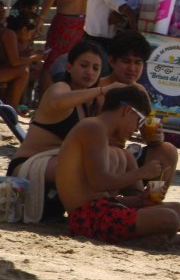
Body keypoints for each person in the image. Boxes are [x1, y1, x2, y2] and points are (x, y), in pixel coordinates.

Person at [6, 42, 124, 222]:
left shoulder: (92, 101)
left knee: (115, 156)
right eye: (83, 66)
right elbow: (58, 102)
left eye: (95, 68)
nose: (89, 72)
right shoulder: (61, 88)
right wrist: (101, 90)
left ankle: (111, 206)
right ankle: (94, 213)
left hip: (59, 163)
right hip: (30, 164)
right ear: (69, 66)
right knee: (87, 166)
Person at [56, 85, 180, 244]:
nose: (136, 130)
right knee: (170, 219)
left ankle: (150, 237)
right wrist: (142, 173)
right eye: (139, 122)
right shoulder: (92, 128)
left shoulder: (106, 138)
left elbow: (135, 198)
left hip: (106, 208)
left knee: (178, 210)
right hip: (87, 216)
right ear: (127, 111)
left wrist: (144, 198)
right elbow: (99, 182)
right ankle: (148, 239)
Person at [93, 32, 179, 187]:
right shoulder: (97, 89)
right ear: (112, 61)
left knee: (167, 151)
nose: (132, 68)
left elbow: (149, 135)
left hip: (124, 158)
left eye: (138, 62)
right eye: (126, 61)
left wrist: (157, 136)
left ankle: (152, 198)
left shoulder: (139, 92)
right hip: (97, 158)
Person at [0, 12, 44, 107]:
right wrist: (33, 58)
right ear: (24, 29)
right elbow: (14, 62)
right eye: (31, 33)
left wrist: (31, 57)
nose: (30, 37)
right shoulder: (9, 34)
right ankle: (13, 106)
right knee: (23, 71)